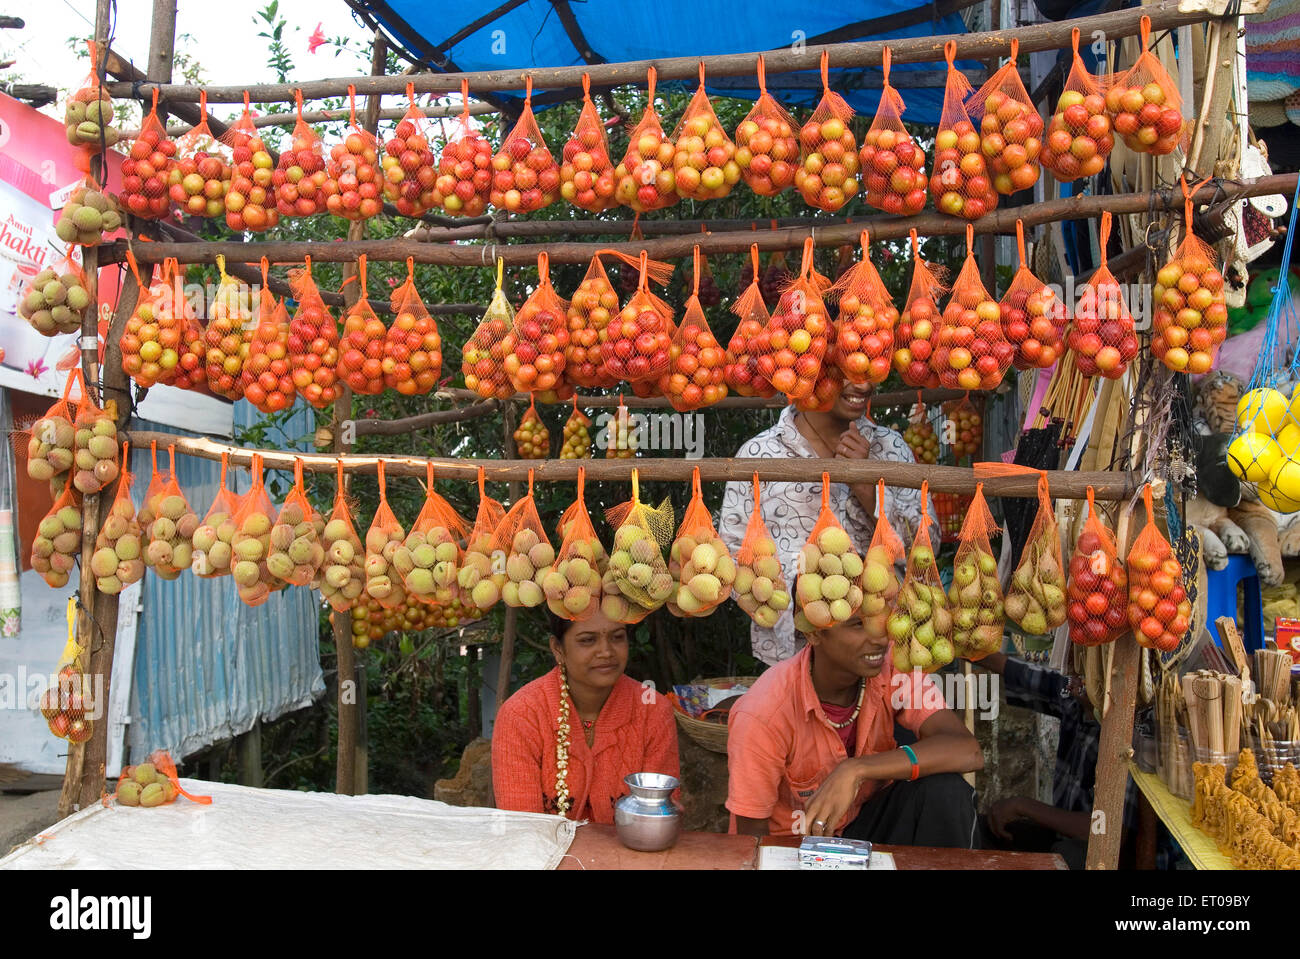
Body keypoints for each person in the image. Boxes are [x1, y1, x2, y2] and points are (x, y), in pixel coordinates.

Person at [718, 383, 938, 666]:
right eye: (845, 371)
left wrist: (866, 486)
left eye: (866, 372)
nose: (861, 384)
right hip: (789, 655)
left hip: (882, 650)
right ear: (814, 372)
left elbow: (926, 547)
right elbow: (733, 553)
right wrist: (786, 598)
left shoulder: (890, 448)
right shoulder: (759, 453)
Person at [726, 610, 984, 844]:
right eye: (858, 625)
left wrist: (856, 770)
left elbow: (966, 750)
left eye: (882, 621)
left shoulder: (893, 666)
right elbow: (751, 840)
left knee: (946, 791)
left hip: (867, 826)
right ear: (814, 632)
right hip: (797, 846)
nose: (881, 639)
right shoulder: (763, 713)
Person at [492, 607, 679, 823]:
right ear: (557, 648)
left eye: (617, 637)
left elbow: (658, 818)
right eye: (587, 640)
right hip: (544, 855)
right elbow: (523, 829)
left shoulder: (653, 710)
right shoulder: (521, 715)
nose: (606, 651)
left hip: (636, 854)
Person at [973, 652, 1138, 869]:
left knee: (1067, 855)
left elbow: (1106, 828)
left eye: (1086, 673)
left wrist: (1023, 806)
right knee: (981, 829)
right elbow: (1018, 672)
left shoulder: (1126, 734)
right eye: (1075, 670)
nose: (1075, 678)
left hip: (1107, 853)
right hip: (1061, 836)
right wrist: (969, 649)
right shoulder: (1074, 699)